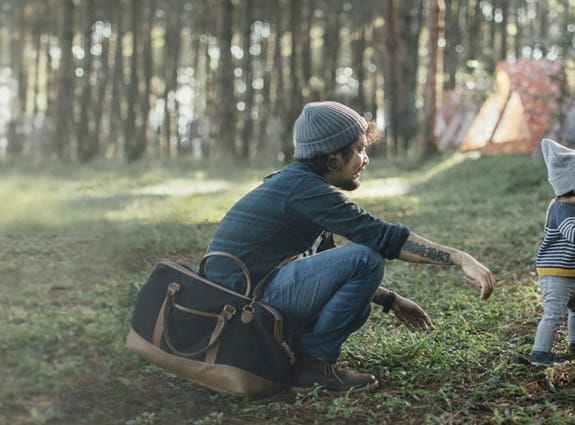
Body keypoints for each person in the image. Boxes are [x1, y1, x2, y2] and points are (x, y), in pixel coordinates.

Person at [203, 101, 495, 392]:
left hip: (248, 301)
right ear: (332, 158)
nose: (365, 159)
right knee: (367, 258)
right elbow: (381, 238)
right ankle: (313, 367)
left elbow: (325, 260)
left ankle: (292, 358)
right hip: (237, 312)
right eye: (358, 150)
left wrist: (390, 300)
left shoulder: (300, 185)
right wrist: (459, 258)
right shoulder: (303, 189)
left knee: (360, 307)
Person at [532, 138, 575, 366]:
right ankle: (540, 353)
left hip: (570, 271)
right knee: (554, 313)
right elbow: (572, 233)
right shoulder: (562, 208)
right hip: (556, 272)